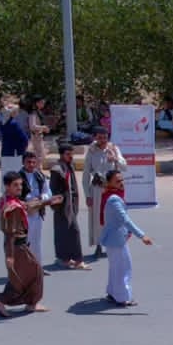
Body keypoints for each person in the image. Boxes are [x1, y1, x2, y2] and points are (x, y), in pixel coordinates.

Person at [0, 172, 48, 317]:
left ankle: (31, 303)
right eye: (15, 185)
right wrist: (10, 256)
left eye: (21, 184)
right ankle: (0, 301)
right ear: (7, 186)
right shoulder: (12, 207)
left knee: (24, 275)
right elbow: (10, 233)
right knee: (32, 274)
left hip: (19, 245)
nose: (19, 187)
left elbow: (27, 205)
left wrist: (47, 202)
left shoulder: (10, 200)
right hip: (17, 247)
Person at [99, 172, 152, 307]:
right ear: (109, 182)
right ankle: (122, 297)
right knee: (123, 268)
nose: (121, 183)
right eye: (117, 181)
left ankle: (112, 292)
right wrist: (142, 235)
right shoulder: (114, 199)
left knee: (116, 267)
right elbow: (125, 219)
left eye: (122, 180)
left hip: (114, 239)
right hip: (116, 239)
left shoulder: (110, 195)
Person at [83, 128, 127, 259]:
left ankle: (112, 244)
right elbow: (86, 174)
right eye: (100, 137)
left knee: (112, 217)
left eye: (105, 137)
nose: (102, 140)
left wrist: (115, 159)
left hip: (111, 190)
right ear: (95, 137)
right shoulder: (91, 151)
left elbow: (125, 166)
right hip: (97, 189)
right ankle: (98, 246)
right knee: (97, 218)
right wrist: (87, 195)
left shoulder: (113, 149)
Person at [49, 140, 88, 270]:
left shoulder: (69, 165)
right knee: (65, 233)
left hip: (71, 205)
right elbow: (53, 190)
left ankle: (72, 259)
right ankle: (68, 259)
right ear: (61, 155)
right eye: (67, 154)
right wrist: (58, 206)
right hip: (62, 207)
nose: (70, 156)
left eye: (71, 154)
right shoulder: (57, 170)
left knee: (72, 232)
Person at [0, 105, 29, 189]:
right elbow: (24, 138)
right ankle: (16, 191)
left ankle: (5, 190)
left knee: (5, 171)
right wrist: (24, 148)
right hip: (15, 152)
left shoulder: (2, 122)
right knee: (15, 172)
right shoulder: (14, 123)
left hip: (5, 151)